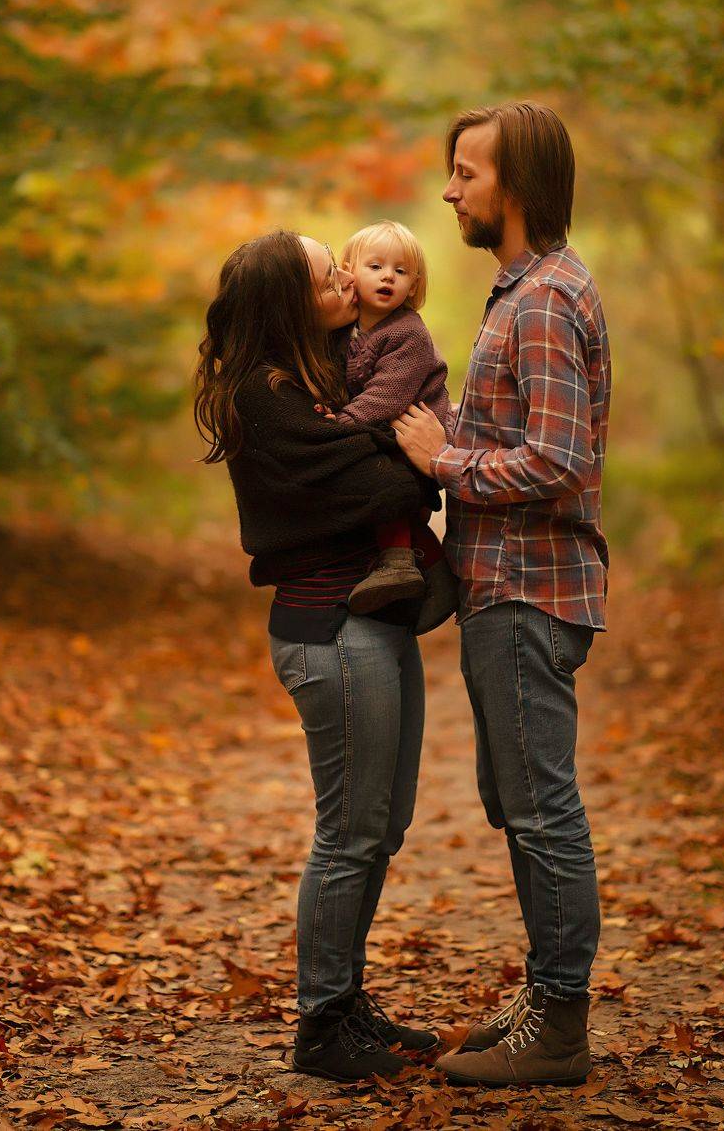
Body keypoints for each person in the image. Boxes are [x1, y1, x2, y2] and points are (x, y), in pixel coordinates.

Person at [392, 102, 611, 1089]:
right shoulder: (520, 291)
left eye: (466, 173)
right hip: (503, 588)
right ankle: (544, 995)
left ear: (514, 185)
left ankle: (560, 1026)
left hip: (529, 589)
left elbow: (559, 460)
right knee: (516, 803)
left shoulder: (547, 302)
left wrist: (445, 464)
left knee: (540, 810)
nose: (449, 191)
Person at [194, 229, 439, 1083]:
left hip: (374, 622)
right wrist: (413, 460)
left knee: (382, 826)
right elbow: (397, 483)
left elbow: (398, 462)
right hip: (330, 629)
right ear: (287, 304)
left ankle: (345, 998)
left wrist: (410, 457)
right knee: (350, 832)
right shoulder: (263, 394)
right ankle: (322, 1024)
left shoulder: (326, 376)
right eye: (325, 274)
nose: (346, 278)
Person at [332, 219, 458, 632]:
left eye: (401, 271)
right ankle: (428, 574)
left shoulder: (408, 334)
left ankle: (402, 564)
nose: (388, 276)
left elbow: (385, 397)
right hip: (379, 429)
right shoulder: (345, 329)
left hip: (412, 434)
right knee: (376, 498)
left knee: (381, 484)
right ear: (348, 271)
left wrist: (338, 425)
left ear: (413, 284)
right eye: (376, 266)